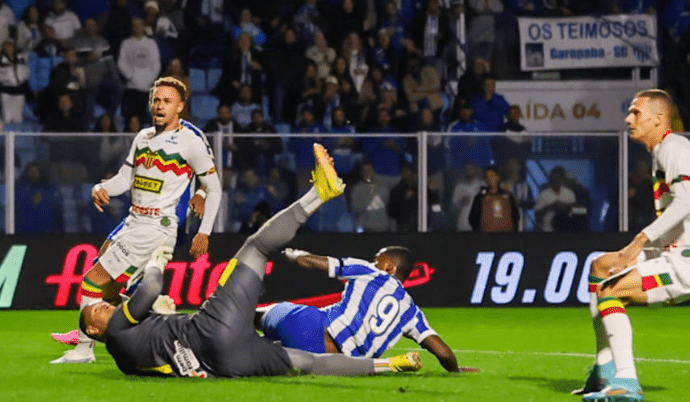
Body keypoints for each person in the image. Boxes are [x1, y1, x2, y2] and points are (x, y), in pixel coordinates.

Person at [79, 144, 423, 378]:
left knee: (308, 362)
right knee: (256, 247)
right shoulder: (119, 328)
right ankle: (321, 193)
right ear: (96, 330)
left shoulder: (125, 361)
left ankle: (389, 365)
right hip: (210, 330)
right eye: (97, 310)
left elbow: (162, 351)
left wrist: (159, 315)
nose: (103, 306)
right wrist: (157, 260)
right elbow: (152, 286)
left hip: (224, 364)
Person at [576, 89, 690, 402]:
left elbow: (686, 202)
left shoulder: (672, 147)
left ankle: (626, 381)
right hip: (681, 252)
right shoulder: (665, 151)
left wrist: (639, 242)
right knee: (601, 267)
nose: (628, 118)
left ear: (658, 119)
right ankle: (603, 368)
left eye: (636, 113)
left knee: (610, 290)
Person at [50, 76, 220, 364]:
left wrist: (204, 232)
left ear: (180, 107)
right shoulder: (143, 137)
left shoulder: (190, 142)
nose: (159, 105)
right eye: (156, 100)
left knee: (92, 282)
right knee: (108, 288)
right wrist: (101, 188)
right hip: (133, 222)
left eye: (167, 101)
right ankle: (160, 316)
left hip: (155, 228)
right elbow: (124, 179)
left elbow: (214, 188)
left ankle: (84, 349)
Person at [257, 246, 475, 373]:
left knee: (253, 316)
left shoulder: (369, 272)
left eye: (378, 259)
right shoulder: (412, 313)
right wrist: (455, 371)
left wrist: (294, 255)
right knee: (260, 352)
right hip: (339, 365)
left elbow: (311, 262)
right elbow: (443, 352)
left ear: (389, 267)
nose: (374, 262)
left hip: (309, 327)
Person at [469, 164, 521, 232]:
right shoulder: (480, 197)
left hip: (506, 236)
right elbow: (473, 218)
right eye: (487, 177)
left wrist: (513, 232)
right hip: (486, 237)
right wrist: (479, 233)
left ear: (497, 177)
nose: (490, 179)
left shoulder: (507, 195)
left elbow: (515, 216)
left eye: (492, 176)